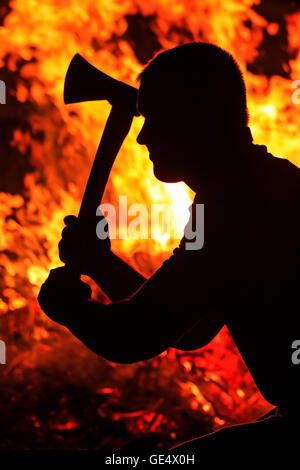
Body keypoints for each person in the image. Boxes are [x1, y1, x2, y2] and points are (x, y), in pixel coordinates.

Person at [38, 42, 300, 454]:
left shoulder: (234, 205)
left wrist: (69, 308)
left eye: (154, 118)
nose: (141, 136)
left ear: (194, 120)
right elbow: (194, 329)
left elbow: (135, 335)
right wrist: (100, 263)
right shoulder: (256, 183)